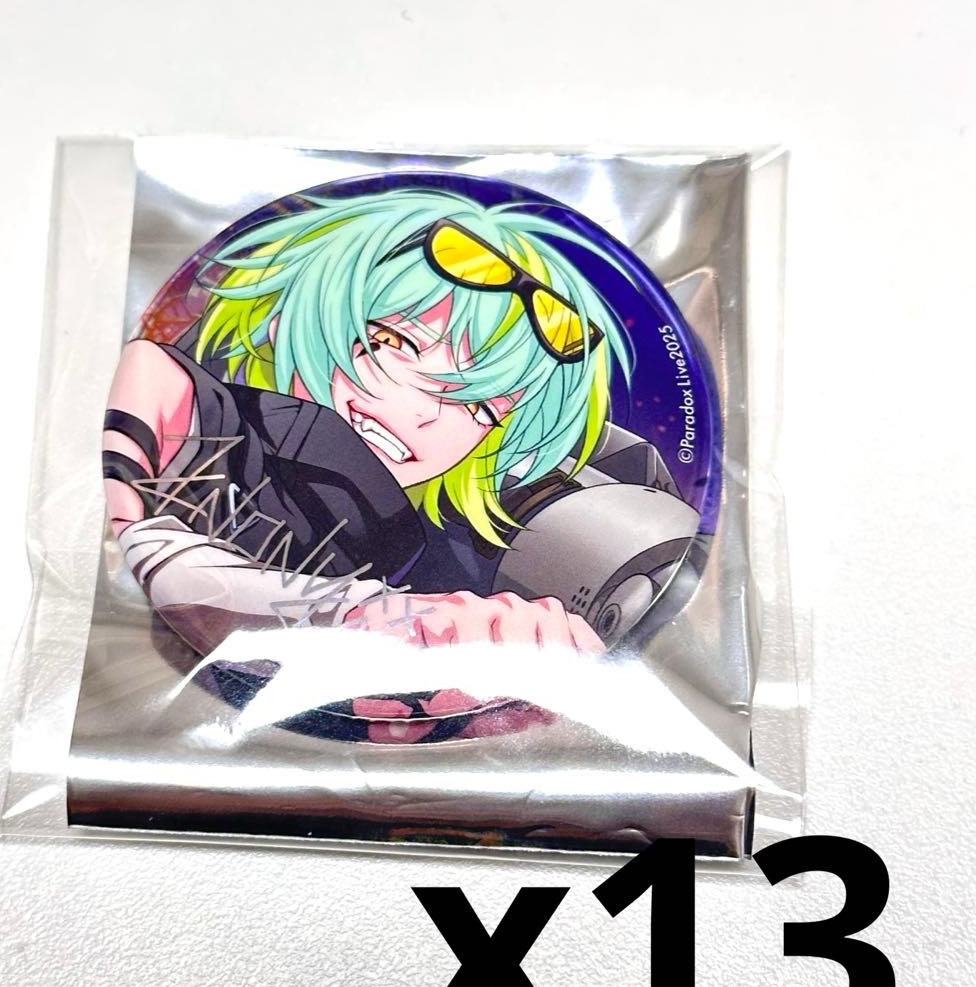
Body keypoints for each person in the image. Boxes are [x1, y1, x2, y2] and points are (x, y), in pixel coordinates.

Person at [102, 186, 634, 655]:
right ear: (291, 316)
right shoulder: (196, 411)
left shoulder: (428, 552)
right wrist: (370, 618)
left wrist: (512, 648)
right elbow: (157, 550)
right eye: (395, 343)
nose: (424, 413)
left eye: (479, 407)